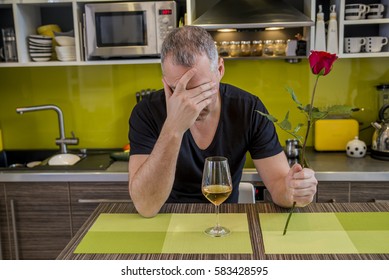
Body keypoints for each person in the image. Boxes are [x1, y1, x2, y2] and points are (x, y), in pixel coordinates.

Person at [128, 26, 317, 218]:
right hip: (167, 220)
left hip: (226, 221)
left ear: (219, 69)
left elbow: (278, 186)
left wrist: (293, 190)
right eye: (178, 91)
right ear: (166, 83)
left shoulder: (249, 109)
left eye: (201, 90)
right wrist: (173, 129)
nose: (191, 104)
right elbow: (146, 206)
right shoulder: (146, 112)